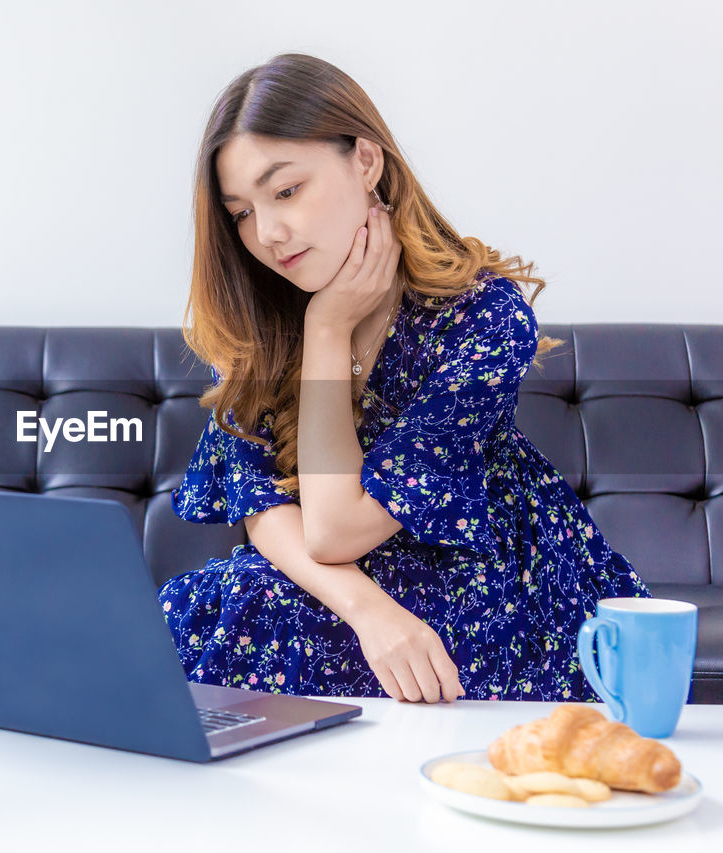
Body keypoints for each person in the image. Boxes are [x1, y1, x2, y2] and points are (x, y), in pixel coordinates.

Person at [159, 52, 652, 704]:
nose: (269, 233)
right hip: (333, 579)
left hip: (481, 574)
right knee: (207, 607)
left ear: (366, 160)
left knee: (288, 615)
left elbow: (337, 528)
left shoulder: (485, 315)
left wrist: (330, 331)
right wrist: (367, 610)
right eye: (242, 212)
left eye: (285, 191)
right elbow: (264, 512)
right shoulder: (262, 319)